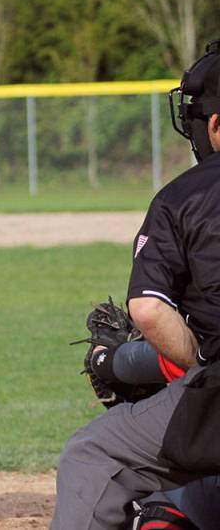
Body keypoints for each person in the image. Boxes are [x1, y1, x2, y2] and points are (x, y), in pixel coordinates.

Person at [51, 42, 220, 529]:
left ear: (212, 124)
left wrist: (176, 363)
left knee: (94, 455)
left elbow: (148, 312)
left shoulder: (184, 196)